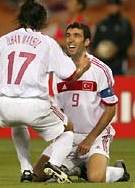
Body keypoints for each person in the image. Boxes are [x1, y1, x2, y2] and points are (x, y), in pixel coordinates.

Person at [0, 0, 90, 183]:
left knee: (17, 124)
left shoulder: (2, 41)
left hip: (3, 103)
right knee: (68, 129)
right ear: (42, 20)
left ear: (20, 17)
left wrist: (9, 93)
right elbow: (69, 76)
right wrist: (82, 67)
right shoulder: (46, 42)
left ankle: (26, 169)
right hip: (34, 103)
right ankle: (54, 163)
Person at [32, 22, 130, 183]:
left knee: (96, 178)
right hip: (68, 138)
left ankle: (119, 171)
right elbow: (60, 108)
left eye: (77, 36)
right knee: (37, 176)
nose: (71, 40)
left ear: (86, 42)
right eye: (68, 35)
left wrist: (90, 139)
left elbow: (111, 109)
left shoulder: (100, 69)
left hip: (95, 136)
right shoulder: (59, 71)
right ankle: (78, 168)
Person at [91, 0, 133, 75]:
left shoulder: (125, 23)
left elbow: (127, 41)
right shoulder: (102, 23)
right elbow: (95, 40)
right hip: (102, 61)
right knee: (102, 85)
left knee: (118, 84)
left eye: (114, 5)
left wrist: (116, 49)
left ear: (119, 7)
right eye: (110, 5)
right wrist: (95, 50)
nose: (112, 7)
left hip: (118, 61)